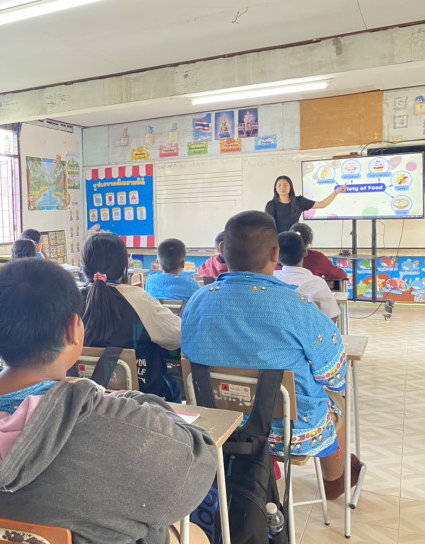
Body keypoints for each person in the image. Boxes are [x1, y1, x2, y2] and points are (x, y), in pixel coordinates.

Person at [0, 258, 218, 544]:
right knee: (193, 538)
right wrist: (134, 399)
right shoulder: (109, 425)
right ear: (72, 331)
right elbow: (199, 464)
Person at [182, 211, 364, 499]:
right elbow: (333, 374)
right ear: (275, 254)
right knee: (335, 399)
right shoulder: (298, 306)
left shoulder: (197, 301)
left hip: (219, 423)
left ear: (222, 250)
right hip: (289, 432)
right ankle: (334, 480)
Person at [80, 232, 181, 399]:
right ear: (124, 267)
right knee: (175, 387)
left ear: (84, 266)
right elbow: (177, 336)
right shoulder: (138, 299)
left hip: (86, 397)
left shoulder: (71, 300)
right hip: (140, 399)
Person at [275, 231, 339, 320]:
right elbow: (332, 318)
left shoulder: (269, 280)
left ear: (276, 254)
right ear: (305, 252)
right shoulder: (318, 283)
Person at [264, 175, 346, 233]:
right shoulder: (271, 205)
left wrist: (336, 192)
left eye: (285, 185)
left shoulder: (299, 201)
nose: (282, 188)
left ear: (290, 187)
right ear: (275, 188)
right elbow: (268, 227)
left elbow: (322, 204)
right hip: (277, 242)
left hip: (295, 240)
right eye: (279, 185)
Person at [145, 238, 200, 302]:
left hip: (156, 309)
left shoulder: (150, 281)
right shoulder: (192, 284)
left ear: (157, 263)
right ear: (183, 264)